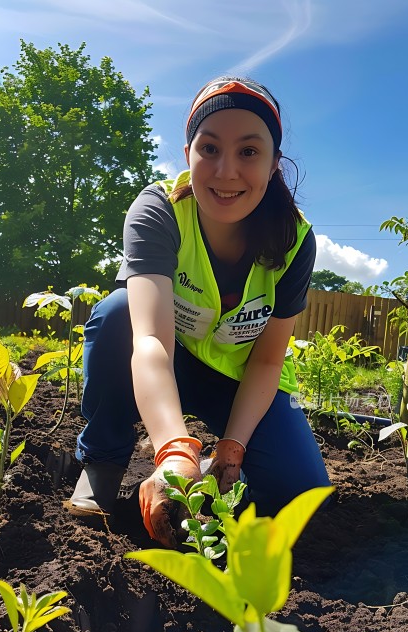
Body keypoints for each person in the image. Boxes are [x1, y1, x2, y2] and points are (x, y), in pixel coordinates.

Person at [69, 76, 331, 547]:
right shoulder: (159, 211)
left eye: (248, 151)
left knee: (302, 494)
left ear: (274, 163)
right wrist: (173, 448)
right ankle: (102, 467)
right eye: (209, 148)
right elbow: (150, 340)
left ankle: (218, 481)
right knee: (117, 315)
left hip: (240, 378)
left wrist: (233, 446)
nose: (226, 171)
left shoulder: (294, 240)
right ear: (188, 153)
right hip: (168, 360)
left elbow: (268, 360)